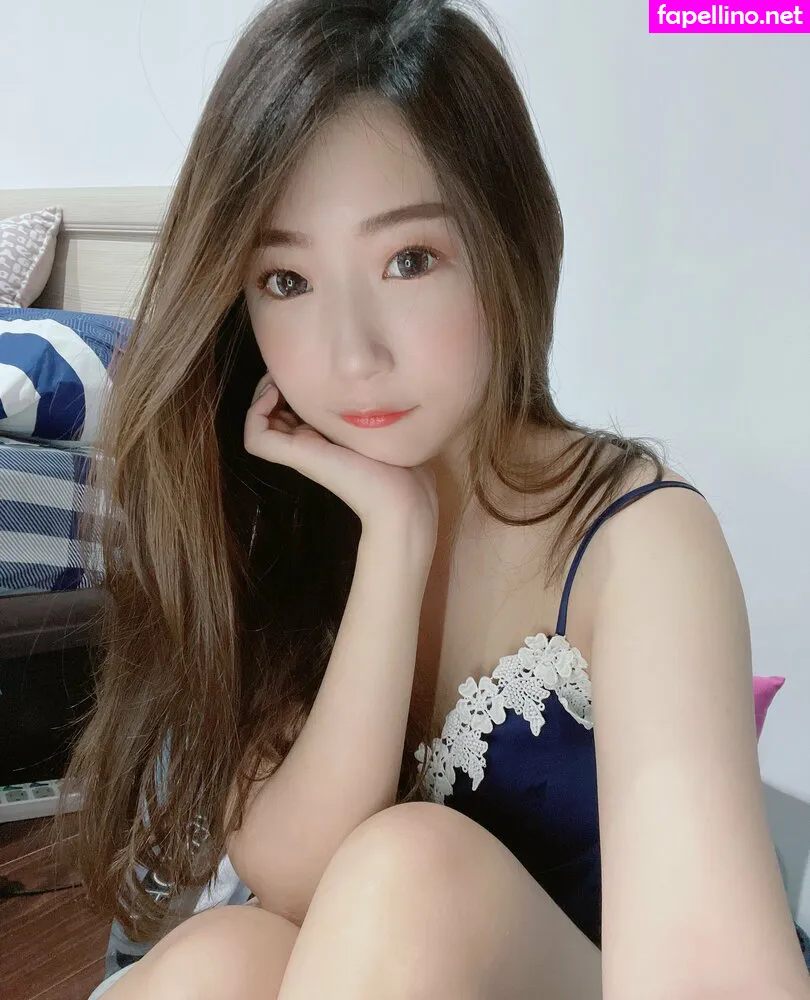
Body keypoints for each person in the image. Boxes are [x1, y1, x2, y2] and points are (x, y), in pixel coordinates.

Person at [63, 0, 809, 997]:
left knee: (408, 876)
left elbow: (712, 976)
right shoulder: (282, 521)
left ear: (507, 246)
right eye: (286, 280)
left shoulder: (637, 538)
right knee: (214, 961)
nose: (352, 354)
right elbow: (296, 881)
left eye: (408, 261)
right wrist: (395, 537)